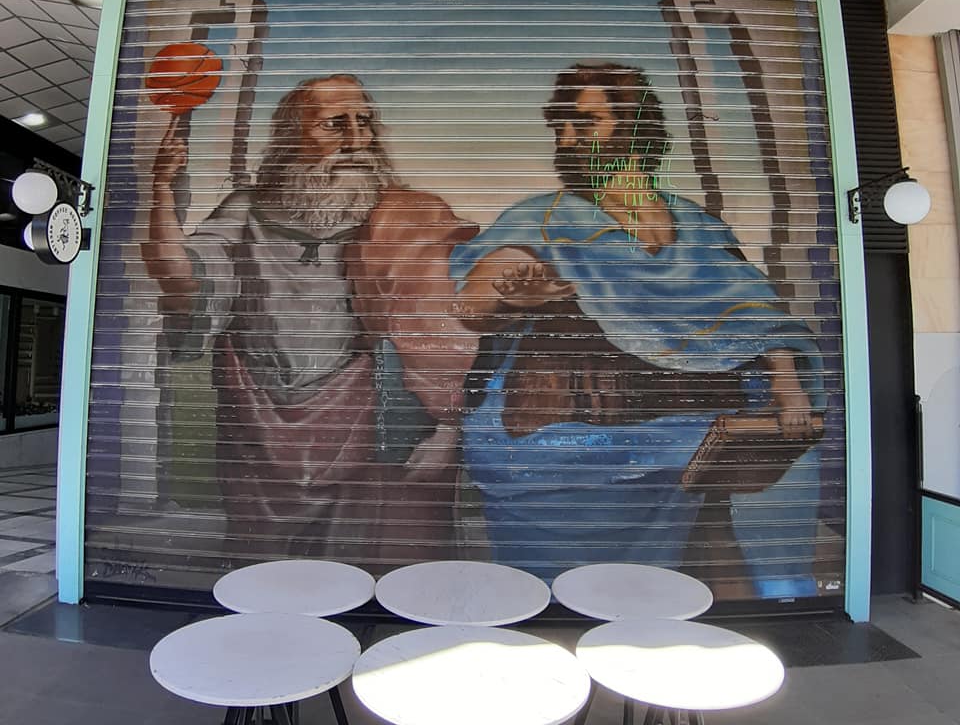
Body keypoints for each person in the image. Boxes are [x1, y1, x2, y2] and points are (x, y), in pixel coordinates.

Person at [450, 62, 825, 597]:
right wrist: (512, 298)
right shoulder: (544, 220)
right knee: (564, 596)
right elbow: (475, 299)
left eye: (585, 123)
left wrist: (787, 390)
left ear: (635, 125)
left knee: (711, 562)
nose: (567, 138)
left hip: (696, 432)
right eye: (560, 125)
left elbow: (757, 316)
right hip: (573, 441)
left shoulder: (697, 228)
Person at [142, 74, 478, 566]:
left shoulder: (406, 215)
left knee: (377, 560)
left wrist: (447, 427)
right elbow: (181, 278)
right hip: (260, 422)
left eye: (364, 122)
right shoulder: (247, 211)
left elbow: (447, 326)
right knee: (266, 571)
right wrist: (160, 190)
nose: (357, 139)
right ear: (291, 134)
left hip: (368, 419)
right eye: (335, 124)